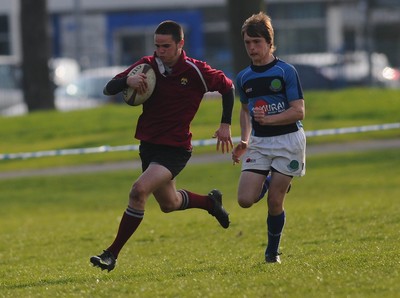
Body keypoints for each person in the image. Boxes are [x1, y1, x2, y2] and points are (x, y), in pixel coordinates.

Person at [90, 20, 235, 272]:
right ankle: (211, 203)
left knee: (138, 191)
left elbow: (228, 87)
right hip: (149, 145)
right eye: (157, 46)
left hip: (176, 148)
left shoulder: (195, 71)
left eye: (166, 46)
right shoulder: (147, 65)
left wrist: (225, 124)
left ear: (181, 44)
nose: (160, 51)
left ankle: (111, 254)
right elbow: (108, 88)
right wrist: (128, 82)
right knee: (169, 204)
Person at [232, 12, 306, 264]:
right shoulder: (243, 77)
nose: (252, 48)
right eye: (247, 43)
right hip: (260, 144)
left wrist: (269, 119)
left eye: (257, 42)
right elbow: (244, 110)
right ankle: (271, 177)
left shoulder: (286, 71)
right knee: (244, 200)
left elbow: (299, 111)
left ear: (269, 42)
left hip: (288, 141)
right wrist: (244, 139)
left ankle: (272, 252)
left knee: (275, 201)